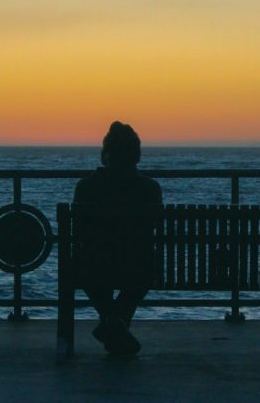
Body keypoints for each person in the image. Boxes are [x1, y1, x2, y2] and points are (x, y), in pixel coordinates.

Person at [73, 121, 162, 357]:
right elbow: (155, 227)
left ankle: (113, 323)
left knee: (89, 270)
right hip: (138, 267)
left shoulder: (86, 187)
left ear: (106, 154)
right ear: (136, 155)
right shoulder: (150, 188)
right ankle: (117, 324)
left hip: (94, 266)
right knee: (142, 272)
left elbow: (78, 231)